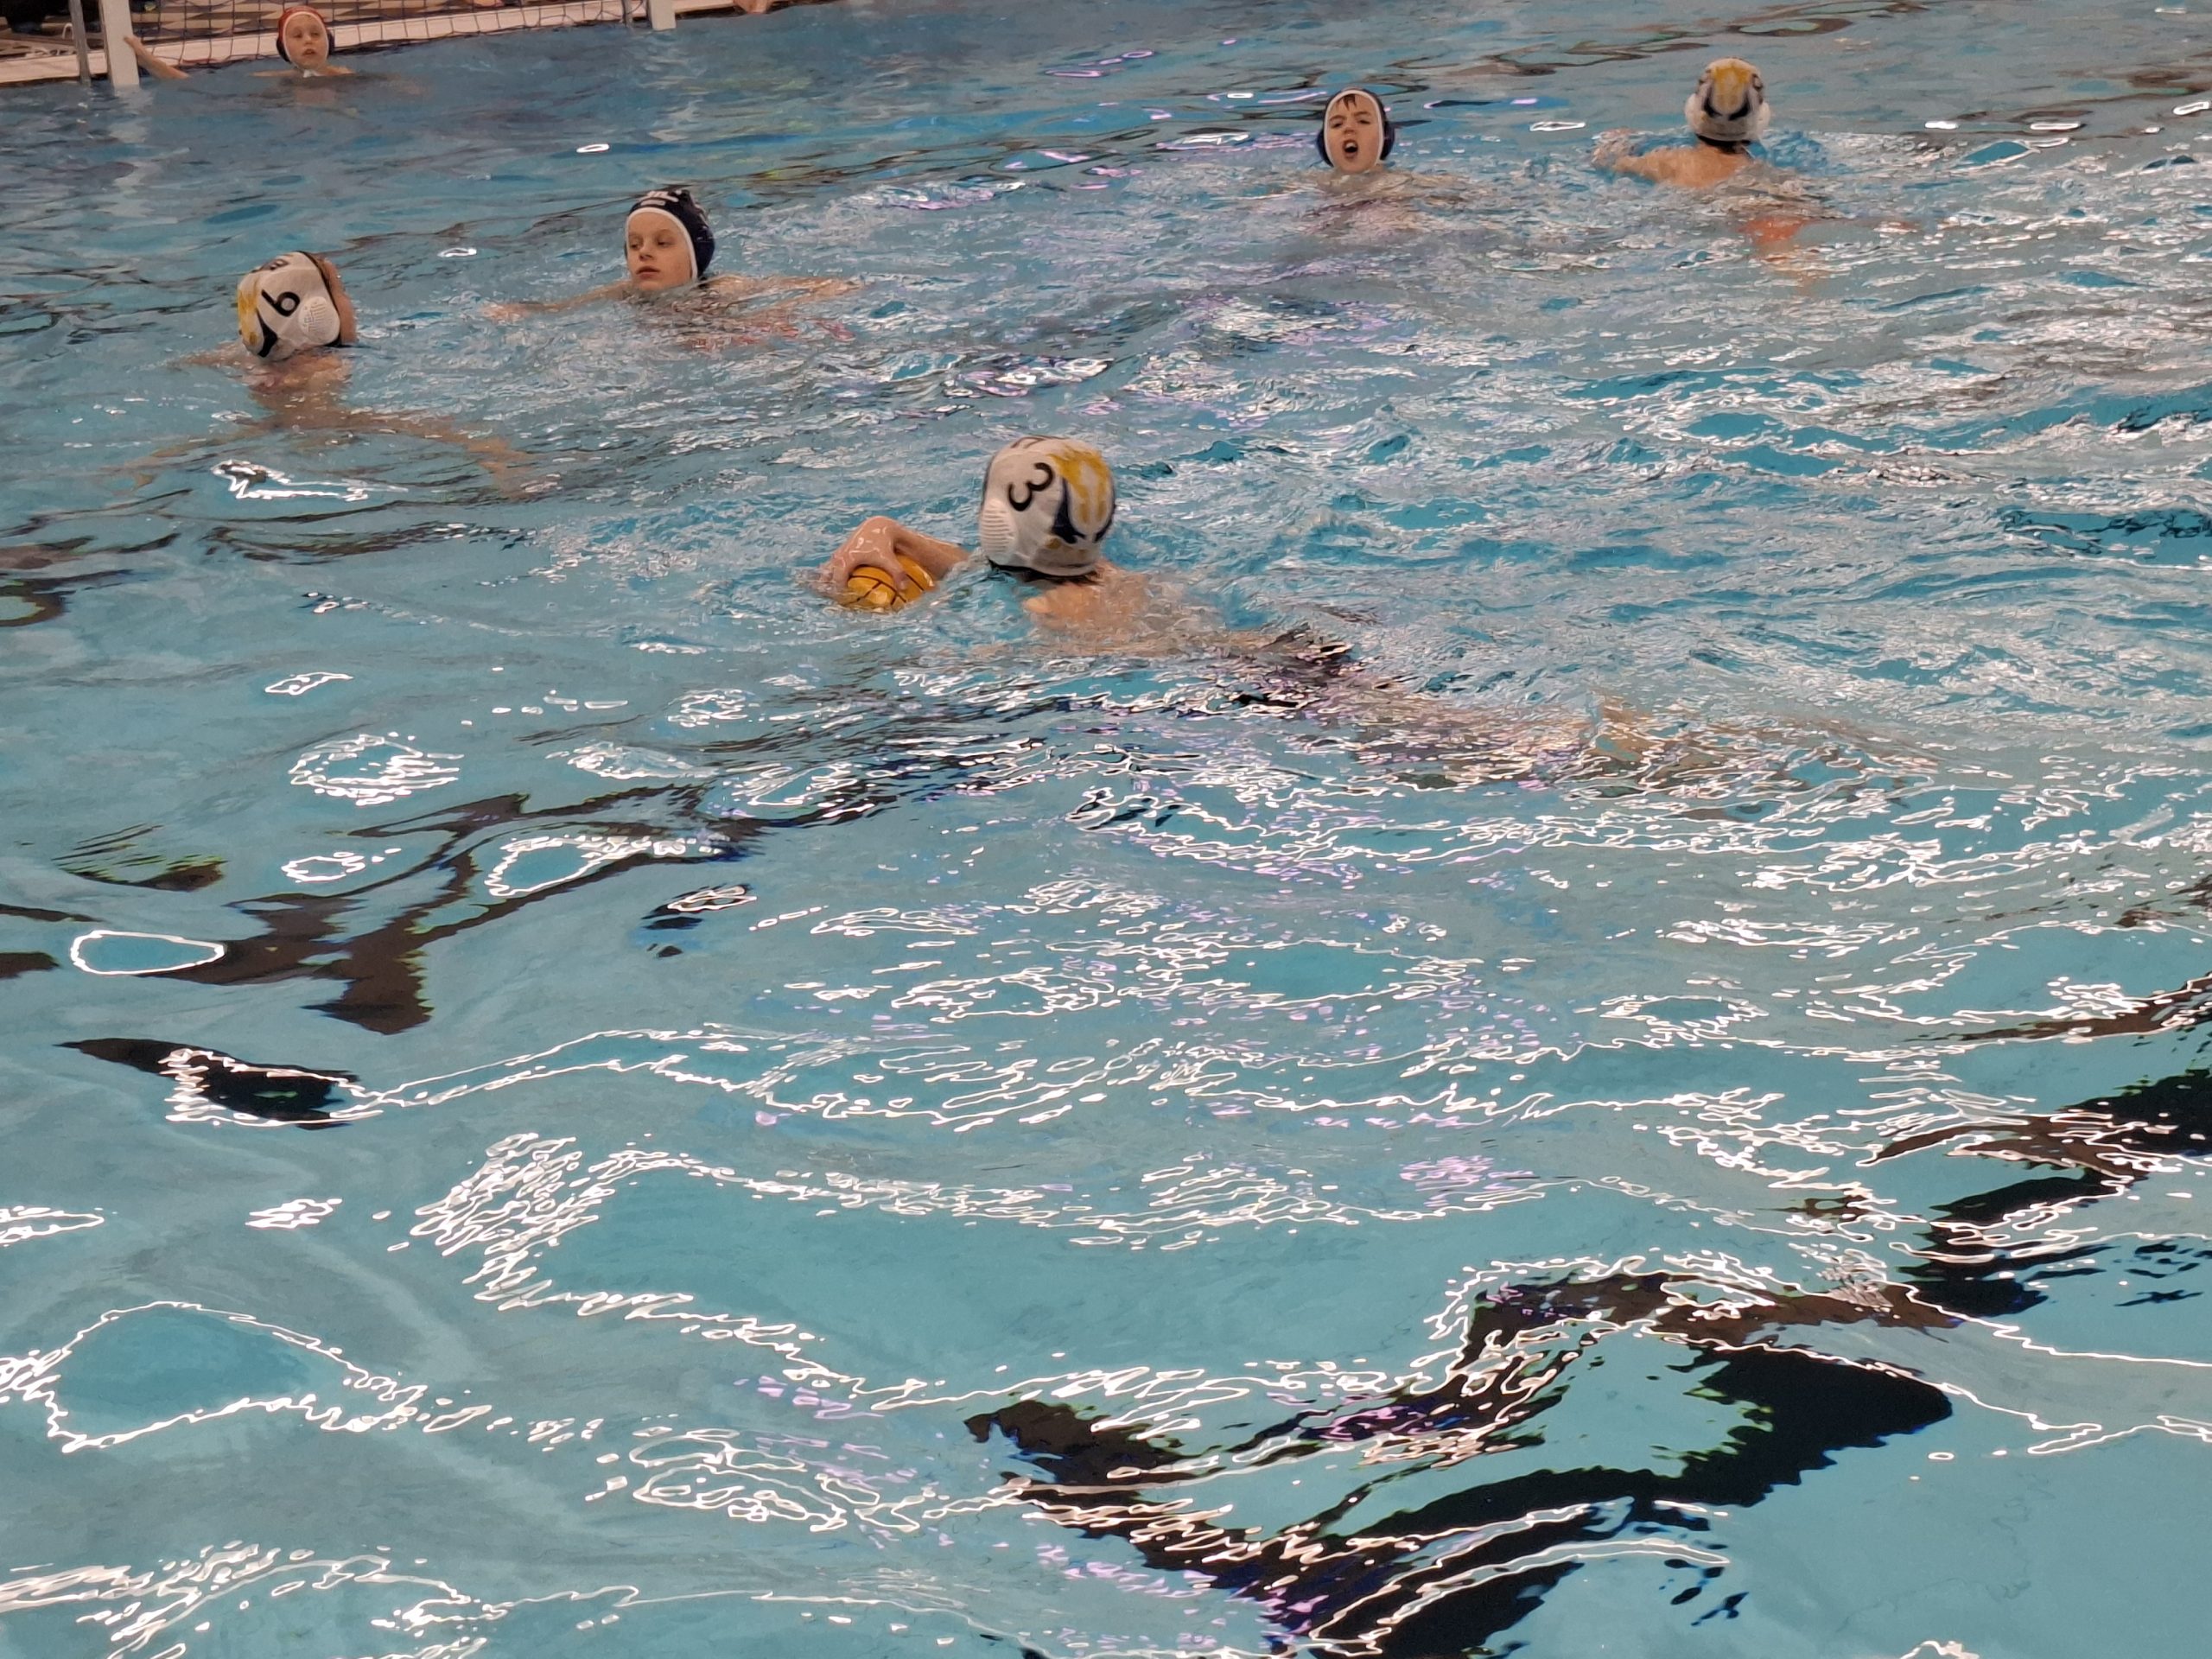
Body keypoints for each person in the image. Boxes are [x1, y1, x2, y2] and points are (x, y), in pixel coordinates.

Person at [486, 188, 853, 324]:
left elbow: (827, 287)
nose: (644, 252)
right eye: (634, 245)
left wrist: (774, 314)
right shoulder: (624, 292)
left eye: (663, 244)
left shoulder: (722, 288)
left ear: (696, 254)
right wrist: (521, 310)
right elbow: (560, 309)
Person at [1595, 57, 1770, 188]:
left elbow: (1611, 163)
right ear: (1760, 117)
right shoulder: (1757, 171)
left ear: (1693, 110)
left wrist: (1616, 142)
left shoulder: (1671, 161)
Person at [125, 5, 353, 80]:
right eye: (298, 36)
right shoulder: (271, 80)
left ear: (329, 42)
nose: (309, 41)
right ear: (283, 48)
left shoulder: (345, 77)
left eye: (316, 34)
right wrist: (151, 63)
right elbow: (198, 86)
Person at [1316, 87, 1395, 175]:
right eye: (1337, 124)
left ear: (1385, 136)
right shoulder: (1310, 181)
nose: (1349, 128)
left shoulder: (1403, 182)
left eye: (1363, 121)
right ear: (1324, 143)